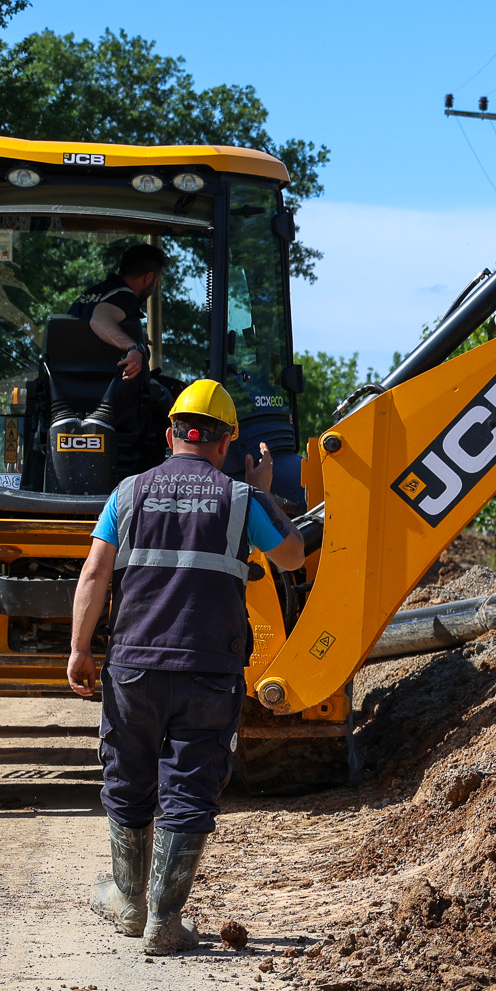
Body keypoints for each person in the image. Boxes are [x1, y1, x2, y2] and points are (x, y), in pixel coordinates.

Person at [68, 380, 306, 955]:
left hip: (133, 665)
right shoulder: (240, 499)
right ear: (227, 445)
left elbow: (95, 573)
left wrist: (79, 648)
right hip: (207, 667)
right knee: (189, 788)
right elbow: (294, 556)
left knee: (127, 780)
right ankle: (163, 921)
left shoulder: (127, 493)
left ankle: (128, 901)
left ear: (168, 434)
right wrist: (262, 492)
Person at [69, 242, 165, 382]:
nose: (155, 287)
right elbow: (99, 321)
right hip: (99, 390)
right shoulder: (125, 296)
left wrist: (133, 334)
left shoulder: (95, 294)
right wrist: (133, 347)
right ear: (148, 278)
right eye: (157, 281)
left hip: (67, 386)